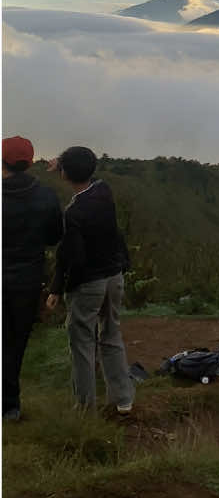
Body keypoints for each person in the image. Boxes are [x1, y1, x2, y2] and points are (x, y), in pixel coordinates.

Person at [45, 147, 134, 414]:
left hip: (90, 284)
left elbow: (71, 256)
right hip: (114, 277)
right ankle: (123, 400)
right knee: (111, 334)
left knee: (82, 342)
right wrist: (63, 162)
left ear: (65, 174)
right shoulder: (104, 191)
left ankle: (85, 406)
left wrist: (57, 288)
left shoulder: (74, 213)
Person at [2, 136, 63, 421]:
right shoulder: (46, 196)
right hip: (27, 280)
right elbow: (54, 237)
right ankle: (10, 405)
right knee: (15, 343)